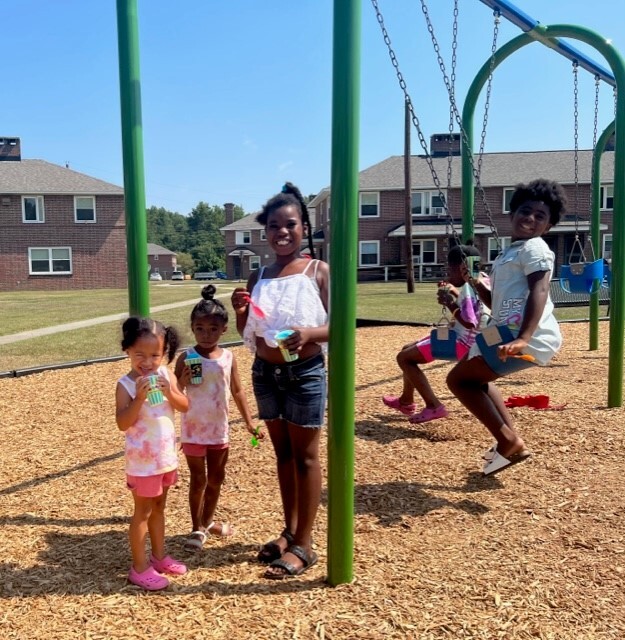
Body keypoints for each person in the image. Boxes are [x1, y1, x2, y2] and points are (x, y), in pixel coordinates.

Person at [231, 182, 329, 580]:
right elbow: (249, 331)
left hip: (304, 373)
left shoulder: (318, 271)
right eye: (273, 226)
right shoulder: (261, 275)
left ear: (304, 227)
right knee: (283, 457)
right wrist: (239, 311)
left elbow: (340, 326)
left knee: (305, 458)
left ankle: (304, 544)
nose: (281, 232)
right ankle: (289, 532)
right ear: (265, 232)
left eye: (290, 224)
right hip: (265, 373)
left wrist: (309, 334)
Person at [446, 178, 567, 476]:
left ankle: (508, 440)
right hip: (503, 329)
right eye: (525, 211)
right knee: (477, 380)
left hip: (524, 334)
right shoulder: (510, 253)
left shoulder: (536, 249)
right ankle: (513, 443)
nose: (530, 219)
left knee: (459, 381)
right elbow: (496, 300)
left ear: (548, 226)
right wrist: (475, 283)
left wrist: (524, 337)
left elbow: (539, 290)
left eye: (540, 216)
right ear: (512, 215)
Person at [174, 284, 257, 552]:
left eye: (213, 329)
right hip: (193, 430)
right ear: (192, 328)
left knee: (216, 479)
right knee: (198, 480)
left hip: (219, 430)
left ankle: (207, 521)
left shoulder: (228, 357)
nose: (206, 335)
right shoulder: (187, 357)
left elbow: (237, 390)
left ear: (224, 330)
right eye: (200, 329)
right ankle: (196, 527)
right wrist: (180, 380)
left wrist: (249, 422)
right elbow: (173, 393)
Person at [115, 317, 189, 591]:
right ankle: (139, 567)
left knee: (160, 508)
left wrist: (170, 392)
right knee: (142, 512)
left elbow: (184, 405)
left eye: (155, 355)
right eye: (139, 355)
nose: (147, 362)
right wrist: (139, 399)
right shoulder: (125, 385)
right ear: (127, 352)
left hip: (164, 457)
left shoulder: (166, 375)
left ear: (164, 354)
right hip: (142, 464)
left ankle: (159, 557)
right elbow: (123, 423)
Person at [382, 243, 487, 424]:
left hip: (463, 344)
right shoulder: (482, 280)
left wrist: (449, 303)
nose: (448, 272)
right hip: (476, 342)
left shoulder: (469, 290)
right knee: (407, 349)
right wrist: (453, 291)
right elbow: (476, 307)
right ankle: (406, 401)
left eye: (450, 268)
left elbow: (470, 322)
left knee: (404, 358)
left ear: (460, 268)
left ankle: (434, 406)